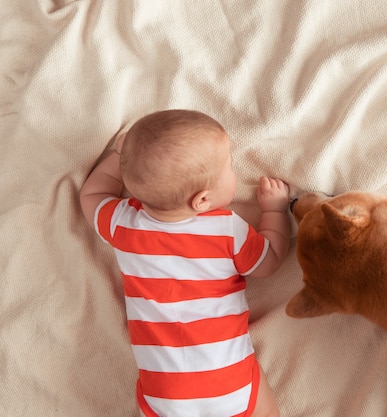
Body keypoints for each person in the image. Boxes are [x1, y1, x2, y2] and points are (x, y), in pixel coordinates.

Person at [80, 109, 289, 417]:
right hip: (229, 380)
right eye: (229, 168)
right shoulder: (226, 230)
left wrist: (120, 157)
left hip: (165, 394)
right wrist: (275, 210)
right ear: (201, 200)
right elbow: (268, 260)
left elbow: (94, 192)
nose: (233, 172)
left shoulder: (124, 225)